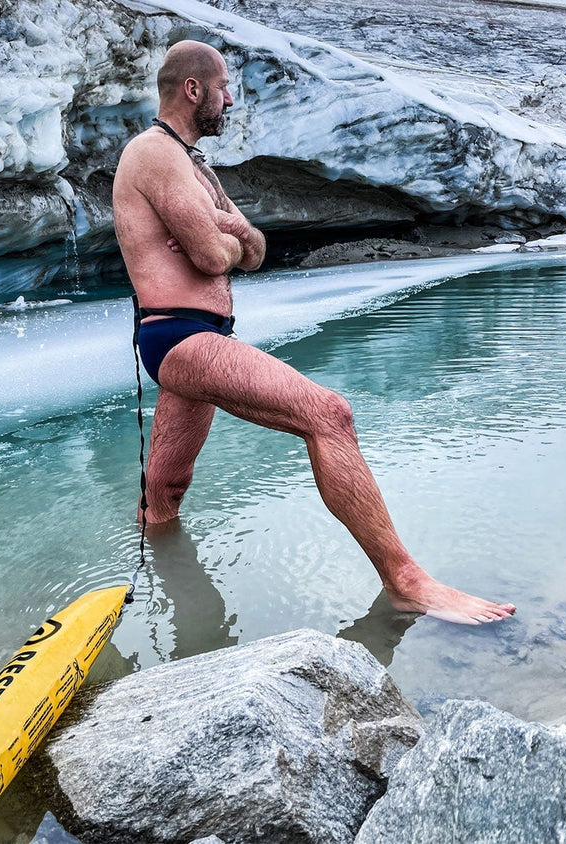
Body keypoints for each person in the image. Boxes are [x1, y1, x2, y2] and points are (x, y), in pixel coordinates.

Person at [112, 40, 516, 625]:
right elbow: (209, 256)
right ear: (193, 89)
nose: (230, 99)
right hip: (178, 337)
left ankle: (168, 600)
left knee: (164, 493)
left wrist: (231, 232)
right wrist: (226, 236)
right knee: (328, 414)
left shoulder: (193, 163)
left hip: (201, 336)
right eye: (223, 88)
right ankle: (405, 580)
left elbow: (253, 252)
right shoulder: (154, 155)